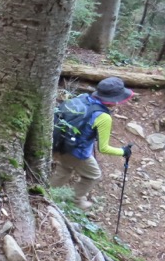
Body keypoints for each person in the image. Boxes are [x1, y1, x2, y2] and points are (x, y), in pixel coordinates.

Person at [50, 77, 134, 209]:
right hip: (77, 152)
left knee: (65, 169)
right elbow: (104, 148)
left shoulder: (83, 98)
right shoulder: (103, 116)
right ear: (114, 100)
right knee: (93, 175)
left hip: (59, 143)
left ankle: (49, 195)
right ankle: (75, 200)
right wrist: (123, 151)